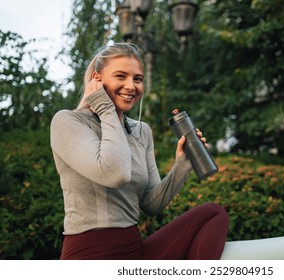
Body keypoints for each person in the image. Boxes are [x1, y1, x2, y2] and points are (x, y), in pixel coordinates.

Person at [50, 42, 229, 260]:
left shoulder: (141, 131)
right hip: (90, 254)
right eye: (120, 76)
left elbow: (151, 204)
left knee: (213, 213)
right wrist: (106, 109)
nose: (131, 86)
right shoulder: (68, 121)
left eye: (137, 79)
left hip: (134, 251)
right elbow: (115, 173)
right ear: (97, 79)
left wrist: (182, 164)